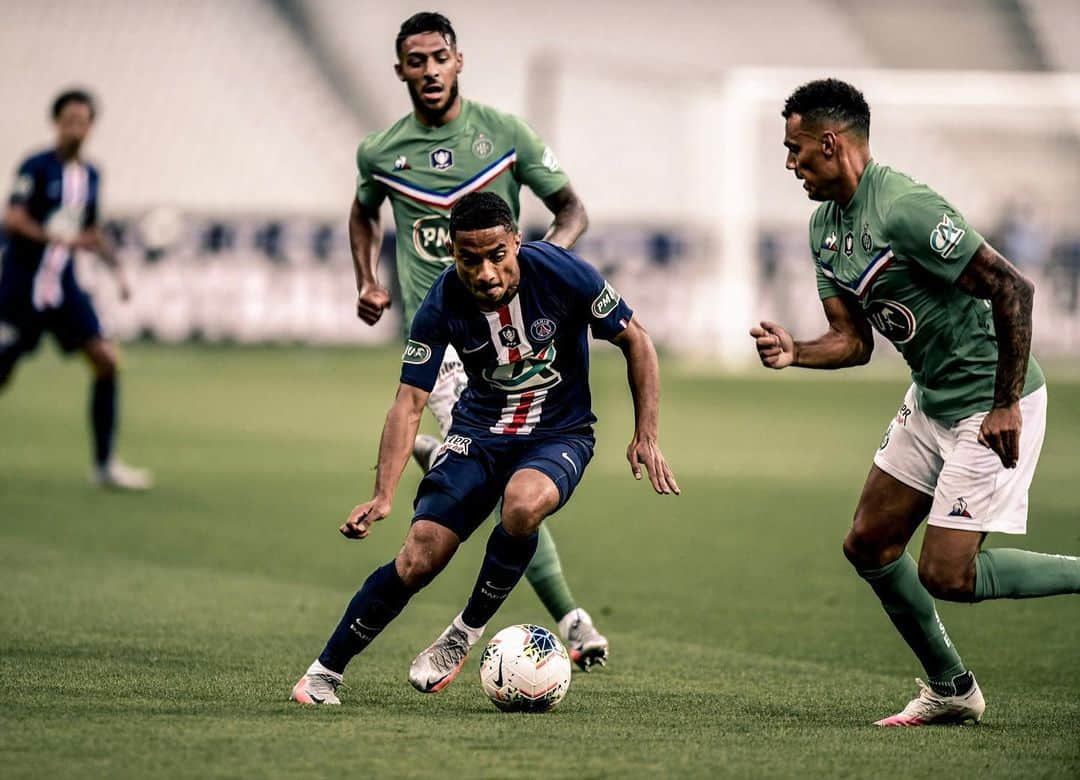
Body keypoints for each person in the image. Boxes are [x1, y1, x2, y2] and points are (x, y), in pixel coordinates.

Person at [752, 78, 1080, 727]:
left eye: (795, 150)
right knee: (869, 543)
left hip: (990, 402)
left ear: (830, 142)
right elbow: (853, 341)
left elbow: (1012, 289)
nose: (789, 164)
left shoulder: (903, 207)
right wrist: (797, 351)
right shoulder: (824, 227)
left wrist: (1005, 403)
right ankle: (952, 688)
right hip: (930, 399)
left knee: (947, 575)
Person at [292, 192, 678, 705]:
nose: (485, 272)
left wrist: (645, 434)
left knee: (522, 504)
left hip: (559, 434)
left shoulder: (564, 273)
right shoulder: (441, 301)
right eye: (468, 259)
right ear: (453, 254)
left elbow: (638, 341)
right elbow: (409, 402)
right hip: (478, 434)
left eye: (497, 254)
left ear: (516, 242)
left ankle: (465, 631)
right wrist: (382, 495)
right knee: (418, 557)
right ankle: (322, 674)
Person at [347, 12, 607, 669]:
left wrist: (548, 268)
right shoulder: (381, 151)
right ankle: (570, 617)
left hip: (512, 341)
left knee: (509, 478)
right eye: (416, 60)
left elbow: (571, 208)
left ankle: (452, 464)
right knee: (508, 479)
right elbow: (361, 208)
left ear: (459, 61)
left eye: (440, 57)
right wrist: (367, 278)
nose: (430, 70)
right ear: (400, 69)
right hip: (442, 346)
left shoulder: (505, 134)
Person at [1, 89, 150, 490]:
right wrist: (56, 238)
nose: (75, 128)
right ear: (56, 123)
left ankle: (104, 465)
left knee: (105, 360)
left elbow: (91, 232)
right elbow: (13, 220)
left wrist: (117, 270)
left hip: (64, 288)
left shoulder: (92, 176)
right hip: (20, 286)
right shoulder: (35, 166)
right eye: (69, 120)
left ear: (90, 127)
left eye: (82, 121)